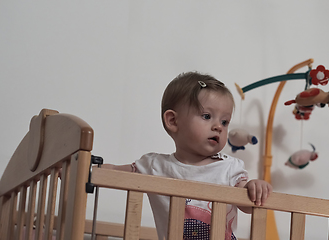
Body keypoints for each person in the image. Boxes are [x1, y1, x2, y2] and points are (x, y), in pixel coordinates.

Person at [101, 72, 272, 240]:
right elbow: (113, 173)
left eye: (224, 122)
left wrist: (254, 186)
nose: (218, 127)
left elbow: (248, 205)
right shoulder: (155, 166)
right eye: (207, 116)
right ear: (173, 121)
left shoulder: (228, 168)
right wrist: (92, 168)